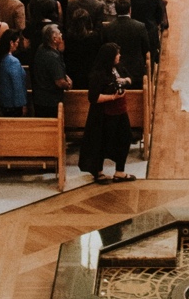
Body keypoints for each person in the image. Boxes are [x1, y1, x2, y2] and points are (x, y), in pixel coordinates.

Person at [78, 42, 134, 184]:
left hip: (120, 110)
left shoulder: (117, 68)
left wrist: (124, 81)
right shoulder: (98, 74)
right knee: (102, 141)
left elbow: (129, 78)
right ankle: (99, 171)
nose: (119, 56)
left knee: (125, 137)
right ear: (110, 57)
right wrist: (113, 97)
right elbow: (94, 98)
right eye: (117, 54)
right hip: (104, 113)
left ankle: (119, 171)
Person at [30, 24, 72, 117]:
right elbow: (59, 82)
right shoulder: (53, 57)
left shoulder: (41, 48)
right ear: (54, 39)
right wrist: (68, 84)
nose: (61, 35)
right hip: (51, 102)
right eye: (59, 34)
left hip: (39, 99)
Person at [0, 30, 26, 115]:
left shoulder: (1, 59)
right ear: (11, 43)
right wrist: (22, 104)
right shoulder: (13, 61)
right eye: (17, 42)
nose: (18, 45)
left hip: (4, 103)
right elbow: (17, 85)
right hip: (14, 105)